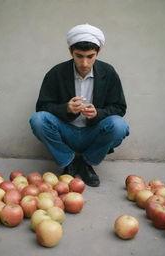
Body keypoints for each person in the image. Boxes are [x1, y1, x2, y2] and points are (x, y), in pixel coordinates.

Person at [29, 24, 129, 187]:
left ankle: (87, 162)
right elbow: (42, 107)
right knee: (38, 120)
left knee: (119, 125)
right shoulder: (57, 72)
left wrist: (98, 114)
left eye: (90, 56)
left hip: (94, 131)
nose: (84, 63)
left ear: (98, 53)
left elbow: (119, 107)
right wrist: (66, 109)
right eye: (79, 56)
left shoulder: (108, 72)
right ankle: (68, 161)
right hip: (66, 131)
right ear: (70, 52)